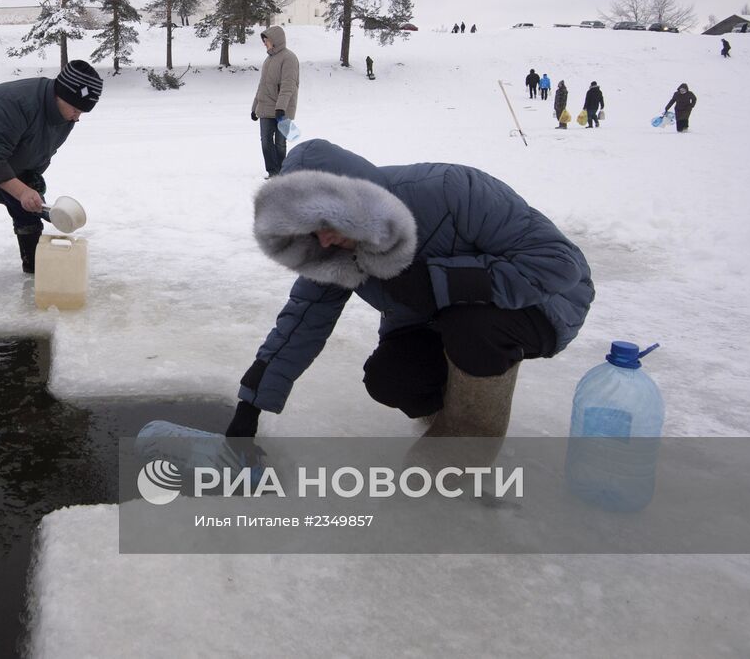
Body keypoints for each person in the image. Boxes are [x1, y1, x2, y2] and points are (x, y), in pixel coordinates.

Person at [223, 140, 594, 440]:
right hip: (437, 320)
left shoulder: (451, 191)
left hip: (547, 304)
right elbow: (303, 321)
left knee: (471, 328)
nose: (325, 237)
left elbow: (560, 265)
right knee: (389, 378)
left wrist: (438, 282)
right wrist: (251, 405)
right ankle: (453, 407)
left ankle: (472, 443)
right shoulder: (328, 248)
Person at [0, 60, 103, 299]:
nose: (78, 118)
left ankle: (32, 260)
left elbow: (40, 150)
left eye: (83, 112)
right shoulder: (16, 102)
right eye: (76, 110)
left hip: (0, 145)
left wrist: (30, 181)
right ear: (59, 94)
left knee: (28, 199)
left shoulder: (65, 116)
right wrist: (20, 190)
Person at [250, 25, 301, 178]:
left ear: (275, 40)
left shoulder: (289, 58)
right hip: (265, 107)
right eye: (264, 40)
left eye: (266, 40)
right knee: (265, 141)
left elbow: (288, 85)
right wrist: (254, 107)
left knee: (280, 143)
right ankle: (273, 172)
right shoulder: (268, 60)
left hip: (282, 109)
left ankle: (282, 172)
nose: (264, 43)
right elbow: (262, 86)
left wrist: (281, 107)